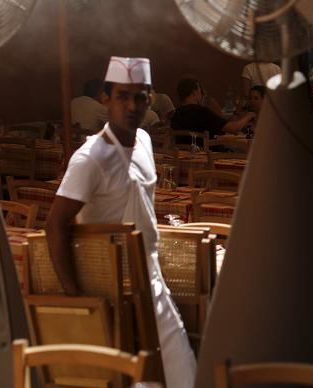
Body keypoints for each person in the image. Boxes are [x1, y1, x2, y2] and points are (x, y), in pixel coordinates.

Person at [45, 57, 196, 388]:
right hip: (109, 284)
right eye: (123, 96)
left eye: (140, 96)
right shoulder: (90, 158)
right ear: (105, 99)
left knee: (182, 372)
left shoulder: (143, 140)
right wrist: (78, 300)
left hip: (152, 278)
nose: (132, 105)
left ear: (150, 99)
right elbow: (55, 224)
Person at [170, 78, 255, 138]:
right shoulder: (201, 112)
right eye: (200, 91)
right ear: (194, 92)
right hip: (206, 157)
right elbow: (233, 128)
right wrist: (250, 115)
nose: (201, 94)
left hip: (182, 158)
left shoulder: (175, 115)